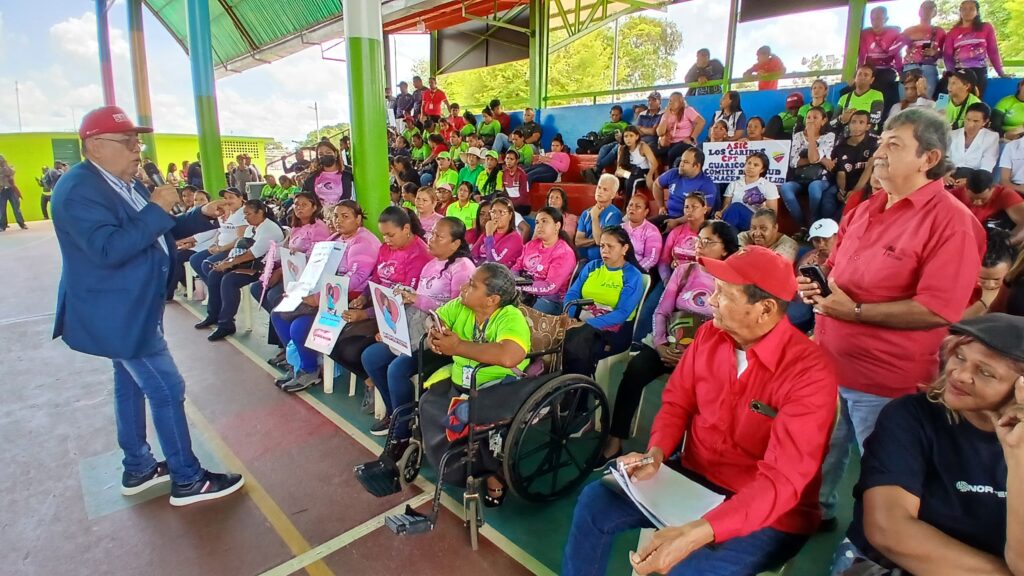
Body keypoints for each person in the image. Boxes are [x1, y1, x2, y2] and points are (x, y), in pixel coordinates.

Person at [563, 246, 838, 576]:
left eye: (724, 293)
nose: (711, 300)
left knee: (684, 569)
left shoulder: (808, 372)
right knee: (596, 502)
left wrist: (697, 533)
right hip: (697, 477)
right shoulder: (709, 336)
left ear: (764, 309)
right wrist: (656, 453)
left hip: (770, 512)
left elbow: (782, 482)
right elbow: (677, 402)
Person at [801, 107, 986, 531]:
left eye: (894, 144)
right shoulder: (866, 208)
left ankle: (867, 547)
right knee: (820, 454)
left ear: (929, 159)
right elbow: (834, 270)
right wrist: (816, 285)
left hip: (885, 383)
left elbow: (938, 309)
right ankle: (813, 517)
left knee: (883, 480)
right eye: (882, 142)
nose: (879, 152)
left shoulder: (953, 223)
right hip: (828, 367)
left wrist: (855, 312)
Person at [51, 105, 243, 505]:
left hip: (136, 304)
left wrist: (200, 213)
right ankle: (188, 479)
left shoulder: (122, 182)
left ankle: (138, 466)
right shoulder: (78, 191)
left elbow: (158, 230)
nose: (137, 149)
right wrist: (156, 208)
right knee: (166, 387)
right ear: (95, 145)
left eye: (137, 141)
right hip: (118, 312)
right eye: (128, 142)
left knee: (130, 383)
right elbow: (109, 248)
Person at [832, 313, 1024, 576]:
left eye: (985, 372)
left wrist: (1017, 456)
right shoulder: (912, 416)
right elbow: (889, 530)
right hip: (891, 565)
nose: (960, 375)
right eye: (960, 357)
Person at [601, 220, 739, 461]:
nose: (699, 245)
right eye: (699, 240)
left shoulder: (733, 283)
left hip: (702, 352)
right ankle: (615, 440)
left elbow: (729, 327)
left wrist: (692, 354)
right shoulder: (684, 271)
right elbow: (661, 311)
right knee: (635, 371)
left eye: (708, 241)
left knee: (694, 390)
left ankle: (674, 452)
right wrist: (661, 344)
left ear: (726, 249)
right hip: (669, 342)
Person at [419, 262, 531, 506]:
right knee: (429, 403)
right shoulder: (460, 306)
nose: (463, 287)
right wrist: (435, 332)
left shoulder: (509, 317)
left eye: (472, 285)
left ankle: (493, 474)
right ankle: (454, 464)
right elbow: (433, 318)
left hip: (498, 385)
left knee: (471, 418)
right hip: (462, 381)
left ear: (492, 300)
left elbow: (509, 356)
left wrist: (458, 346)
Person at [362, 216, 475, 434]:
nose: (431, 239)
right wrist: (393, 326)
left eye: (439, 236)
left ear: (455, 243)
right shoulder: (431, 265)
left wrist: (417, 299)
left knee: (397, 369)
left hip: (440, 339)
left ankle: (402, 429)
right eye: (432, 234)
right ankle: (395, 412)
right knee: (371, 357)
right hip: (416, 329)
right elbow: (419, 302)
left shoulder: (463, 268)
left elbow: (457, 311)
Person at [330, 206, 432, 412]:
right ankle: (386, 402)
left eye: (390, 235)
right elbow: (376, 278)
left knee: (356, 350)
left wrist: (365, 314)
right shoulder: (386, 248)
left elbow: (405, 300)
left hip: (399, 317)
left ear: (406, 229)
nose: (386, 240)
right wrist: (363, 297)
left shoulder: (419, 255)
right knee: (331, 338)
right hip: (378, 306)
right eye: (383, 235)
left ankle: (392, 407)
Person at [273, 201, 381, 391]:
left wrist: (319, 297)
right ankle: (297, 363)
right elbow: (316, 264)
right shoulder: (336, 237)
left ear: (358, 219)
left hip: (349, 298)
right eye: (336, 216)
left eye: (345, 216)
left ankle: (309, 371)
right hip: (324, 291)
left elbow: (356, 277)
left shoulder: (364, 242)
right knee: (278, 313)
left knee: (300, 326)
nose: (338, 220)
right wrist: (300, 287)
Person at [561, 226, 645, 378]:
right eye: (602, 246)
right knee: (555, 336)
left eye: (610, 246)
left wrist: (586, 324)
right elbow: (572, 294)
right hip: (581, 320)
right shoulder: (592, 266)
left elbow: (622, 313)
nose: (604, 251)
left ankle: (576, 388)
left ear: (624, 248)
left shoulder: (633, 275)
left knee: (577, 343)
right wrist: (570, 316)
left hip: (614, 329)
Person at [197, 199, 284, 341]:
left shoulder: (269, 228)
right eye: (244, 214)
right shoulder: (251, 228)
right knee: (214, 274)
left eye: (248, 214)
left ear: (260, 212)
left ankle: (226, 324)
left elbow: (252, 254)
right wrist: (226, 261)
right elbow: (241, 249)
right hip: (249, 264)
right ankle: (213, 315)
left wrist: (229, 264)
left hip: (264, 268)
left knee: (229, 280)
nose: (245, 218)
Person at [512, 206, 577, 315]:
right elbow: (516, 267)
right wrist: (515, 280)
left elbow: (550, 287)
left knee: (518, 313)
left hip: (550, 300)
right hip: (524, 292)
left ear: (557, 226)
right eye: (537, 222)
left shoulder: (564, 253)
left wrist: (520, 285)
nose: (539, 226)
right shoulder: (531, 245)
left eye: (544, 221)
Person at [780, 106, 837, 229]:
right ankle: (802, 225)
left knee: (814, 188)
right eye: (808, 118)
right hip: (800, 177)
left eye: (815, 118)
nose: (811, 121)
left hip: (820, 179)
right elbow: (793, 162)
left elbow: (813, 158)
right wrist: (822, 160)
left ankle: (814, 223)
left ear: (823, 121)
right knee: (785, 188)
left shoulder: (829, 136)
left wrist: (811, 137)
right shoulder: (798, 136)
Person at [943, 0, 1007, 98]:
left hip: (979, 71)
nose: (967, 12)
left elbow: (993, 51)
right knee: (957, 99)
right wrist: (951, 74)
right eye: (964, 9)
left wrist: (1000, 72)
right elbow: (947, 56)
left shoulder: (986, 27)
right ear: (960, 12)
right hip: (960, 71)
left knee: (975, 100)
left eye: (971, 9)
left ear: (977, 11)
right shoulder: (952, 32)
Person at [189, 187, 247, 288]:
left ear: (240, 198)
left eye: (231, 197)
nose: (227, 201)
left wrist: (222, 248)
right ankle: (214, 287)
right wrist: (215, 244)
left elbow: (241, 239)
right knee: (195, 260)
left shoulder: (243, 213)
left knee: (208, 265)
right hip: (220, 247)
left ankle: (217, 289)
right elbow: (219, 232)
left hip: (234, 250)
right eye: (225, 198)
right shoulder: (224, 212)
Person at [829, 110, 879, 218]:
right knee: (827, 201)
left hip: (866, 186)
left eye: (861, 122)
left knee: (843, 213)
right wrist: (842, 191)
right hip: (847, 187)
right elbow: (841, 173)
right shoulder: (840, 146)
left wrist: (855, 191)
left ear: (868, 126)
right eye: (853, 122)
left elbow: (869, 168)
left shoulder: (875, 143)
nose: (856, 126)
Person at [652, 147, 717, 228]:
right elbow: (656, 185)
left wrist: (677, 222)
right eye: (681, 160)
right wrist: (661, 206)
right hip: (668, 217)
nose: (681, 164)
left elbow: (704, 213)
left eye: (686, 162)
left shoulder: (707, 185)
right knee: (643, 227)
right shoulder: (673, 173)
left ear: (696, 166)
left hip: (689, 223)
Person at [954, 168, 1024, 244]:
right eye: (972, 199)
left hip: (991, 240)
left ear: (993, 188)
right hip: (964, 238)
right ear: (965, 189)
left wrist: (1006, 244)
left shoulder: (1005, 194)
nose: (977, 203)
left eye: (983, 199)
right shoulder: (954, 194)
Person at [860, 6, 903, 123]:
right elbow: (862, 55)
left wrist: (901, 73)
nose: (875, 22)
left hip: (887, 70)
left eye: (878, 18)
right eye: (872, 19)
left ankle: (879, 121)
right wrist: (857, 75)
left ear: (886, 19)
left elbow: (897, 55)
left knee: (884, 88)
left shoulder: (894, 32)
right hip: (870, 70)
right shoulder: (865, 34)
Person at [717, 152, 779, 231]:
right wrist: (720, 213)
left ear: (762, 169)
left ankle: (721, 234)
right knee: (732, 217)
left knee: (736, 207)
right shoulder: (734, 184)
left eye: (756, 165)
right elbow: (726, 208)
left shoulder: (768, 186)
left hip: (756, 222)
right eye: (749, 163)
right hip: (734, 222)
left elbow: (773, 215)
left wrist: (762, 207)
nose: (750, 167)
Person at [963, 228, 1015, 318]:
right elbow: (951, 322)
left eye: (997, 279)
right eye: (982, 278)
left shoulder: (1014, 291)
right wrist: (984, 302)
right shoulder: (963, 288)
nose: (990, 284)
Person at [575, 173, 624, 261]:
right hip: (582, 260)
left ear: (613, 195)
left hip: (601, 262)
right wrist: (596, 238)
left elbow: (600, 241)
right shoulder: (586, 213)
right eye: (599, 187)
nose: (600, 191)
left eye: (605, 189)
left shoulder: (615, 214)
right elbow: (578, 241)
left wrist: (594, 217)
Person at [902, 1, 945, 99]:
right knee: (906, 101)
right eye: (924, 8)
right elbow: (896, 49)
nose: (926, 11)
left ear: (935, 13)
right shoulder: (909, 30)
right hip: (909, 67)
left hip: (929, 67)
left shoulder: (939, 31)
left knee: (925, 101)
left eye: (930, 8)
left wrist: (934, 52)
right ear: (919, 11)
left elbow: (946, 53)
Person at [656, 92, 705, 170]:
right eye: (670, 101)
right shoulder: (666, 114)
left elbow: (701, 122)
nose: (670, 103)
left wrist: (692, 138)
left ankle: (672, 173)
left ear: (681, 101)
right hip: (670, 142)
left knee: (673, 152)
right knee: (657, 151)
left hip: (684, 142)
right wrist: (666, 115)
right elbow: (660, 133)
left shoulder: (687, 110)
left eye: (674, 100)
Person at [949, 102, 1000, 176]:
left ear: (985, 121)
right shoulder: (953, 134)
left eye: (976, 121)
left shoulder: (991, 137)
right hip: (950, 173)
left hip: (974, 176)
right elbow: (945, 158)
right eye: (968, 119)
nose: (970, 125)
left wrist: (969, 180)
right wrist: (945, 175)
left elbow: (987, 166)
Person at [470, 197, 523, 267]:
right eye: (493, 212)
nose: (496, 216)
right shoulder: (490, 231)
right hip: (479, 269)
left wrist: (489, 235)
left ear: (510, 215)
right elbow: (472, 254)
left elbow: (494, 264)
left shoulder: (515, 238)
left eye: (501, 212)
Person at [833, 66, 886, 135]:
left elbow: (876, 119)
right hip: (846, 136)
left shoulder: (877, 95)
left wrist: (852, 117)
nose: (862, 77)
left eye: (866, 75)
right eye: (859, 74)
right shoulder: (843, 98)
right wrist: (841, 118)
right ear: (855, 78)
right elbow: (832, 123)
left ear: (872, 80)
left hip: (868, 135)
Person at [302, 139, 351, 206]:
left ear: (335, 154)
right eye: (321, 154)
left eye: (328, 153)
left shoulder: (347, 175)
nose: (325, 156)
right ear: (318, 157)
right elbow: (304, 199)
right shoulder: (311, 178)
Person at [616, 126, 659, 200]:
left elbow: (655, 163)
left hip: (643, 173)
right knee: (614, 179)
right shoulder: (621, 148)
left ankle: (628, 205)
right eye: (626, 136)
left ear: (637, 137)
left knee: (631, 181)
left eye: (631, 136)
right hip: (629, 172)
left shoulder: (642, 146)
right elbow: (618, 169)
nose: (628, 139)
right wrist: (620, 173)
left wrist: (649, 176)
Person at [622, 195, 661, 273]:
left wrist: (632, 271)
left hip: (639, 272)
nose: (632, 208)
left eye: (638, 207)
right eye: (630, 205)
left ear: (646, 212)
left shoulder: (652, 231)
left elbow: (651, 259)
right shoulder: (620, 228)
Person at [0, 155, 26, 231]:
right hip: (2, 190)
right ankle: (2, 225)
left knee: (16, 208)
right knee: (2, 209)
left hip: (11, 189)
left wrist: (4, 165)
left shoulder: (10, 167)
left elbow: (11, 172)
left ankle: (22, 224)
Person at [501, 149, 530, 216]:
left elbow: (524, 196)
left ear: (517, 161)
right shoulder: (504, 173)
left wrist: (510, 205)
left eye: (511, 159)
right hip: (510, 204)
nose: (508, 161)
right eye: (507, 158)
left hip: (523, 206)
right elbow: (504, 191)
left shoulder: (522, 174)